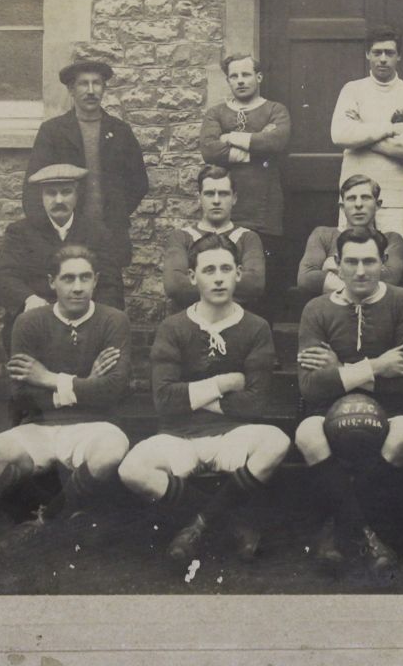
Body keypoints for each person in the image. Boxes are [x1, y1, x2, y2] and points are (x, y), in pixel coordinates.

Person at [119, 234, 289, 563]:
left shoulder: (256, 327)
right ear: (193, 276)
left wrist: (193, 394)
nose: (219, 277)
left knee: (277, 441)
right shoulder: (173, 327)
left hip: (232, 434)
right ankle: (227, 522)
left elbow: (253, 402)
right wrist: (224, 383)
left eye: (226, 268)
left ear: (239, 273)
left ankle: (198, 525)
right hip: (178, 434)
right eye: (209, 269)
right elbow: (164, 401)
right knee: (131, 469)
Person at [0, 244, 132, 540]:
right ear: (51, 281)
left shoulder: (114, 321)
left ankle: (53, 511)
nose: (77, 287)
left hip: (95, 425)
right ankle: (50, 497)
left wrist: (47, 378)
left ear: (96, 280)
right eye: (68, 278)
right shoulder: (29, 322)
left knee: (110, 453)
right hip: (40, 426)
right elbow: (22, 394)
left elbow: (113, 391)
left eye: (85, 278)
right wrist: (86, 382)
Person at [294, 227, 403, 576]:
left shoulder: (402, 301)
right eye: (351, 262)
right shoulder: (317, 309)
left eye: (369, 261)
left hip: (391, 409)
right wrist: (379, 366)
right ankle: (366, 533)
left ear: (383, 263)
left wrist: (340, 371)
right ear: (337, 264)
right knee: (308, 434)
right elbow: (309, 386)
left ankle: (338, 526)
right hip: (325, 411)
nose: (361, 270)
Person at [22, 60, 149, 268]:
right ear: (71, 89)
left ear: (104, 88)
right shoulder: (53, 131)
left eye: (96, 83)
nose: (91, 91)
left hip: (109, 236)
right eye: (83, 84)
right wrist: (52, 230)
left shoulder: (120, 131)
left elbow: (139, 183)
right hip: (66, 237)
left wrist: (115, 214)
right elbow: (32, 188)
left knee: (109, 295)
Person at [0, 163, 122, 354]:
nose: (59, 199)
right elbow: (3, 277)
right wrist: (29, 299)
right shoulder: (21, 232)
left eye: (66, 192)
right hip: (37, 326)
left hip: (85, 325)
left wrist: (95, 319)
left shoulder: (97, 233)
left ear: (77, 195)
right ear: (42, 198)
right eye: (51, 193)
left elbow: (111, 285)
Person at [199, 53, 292, 303]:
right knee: (225, 276)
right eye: (234, 76)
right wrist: (256, 145)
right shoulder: (216, 113)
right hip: (227, 210)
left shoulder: (275, 110)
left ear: (258, 77)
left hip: (265, 211)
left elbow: (277, 141)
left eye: (246, 74)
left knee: (262, 284)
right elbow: (208, 149)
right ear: (228, 80)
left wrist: (229, 138)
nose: (240, 80)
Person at [330, 27, 403, 240]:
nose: (383, 59)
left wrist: (360, 135)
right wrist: (389, 129)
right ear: (367, 54)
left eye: (389, 53)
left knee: (390, 256)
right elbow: (339, 135)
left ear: (399, 56)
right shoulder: (352, 90)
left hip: (394, 194)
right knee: (351, 254)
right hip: (354, 194)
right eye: (377, 52)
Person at [163, 165, 265, 312]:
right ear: (199, 198)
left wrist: (199, 285)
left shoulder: (248, 238)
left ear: (234, 198)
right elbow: (175, 285)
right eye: (210, 194)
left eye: (223, 194)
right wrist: (231, 287)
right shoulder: (181, 237)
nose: (216, 201)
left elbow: (254, 284)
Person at [297, 173, 403, 295]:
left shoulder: (391, 239)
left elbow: (390, 279)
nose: (358, 204)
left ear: (377, 205)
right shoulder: (323, 235)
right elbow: (306, 279)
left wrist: (332, 266)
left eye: (365, 197)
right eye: (351, 198)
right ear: (343, 207)